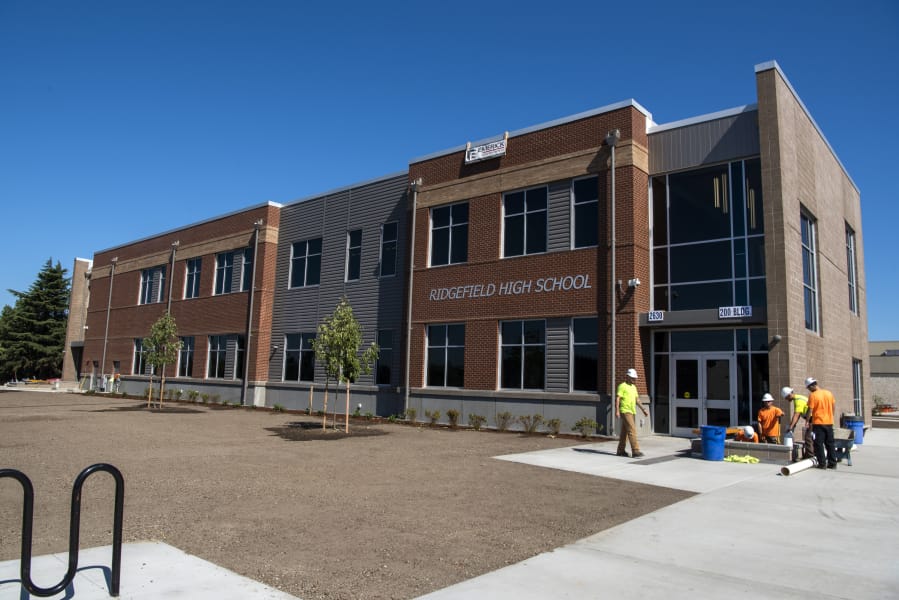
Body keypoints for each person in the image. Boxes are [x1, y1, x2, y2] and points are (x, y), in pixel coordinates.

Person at [806, 377, 838, 469]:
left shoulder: (813, 395)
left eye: (808, 388)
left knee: (818, 444)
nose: (809, 390)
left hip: (818, 423)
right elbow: (833, 406)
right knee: (830, 443)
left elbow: (810, 410)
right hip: (829, 422)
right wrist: (831, 416)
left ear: (811, 386)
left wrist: (807, 421)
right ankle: (832, 463)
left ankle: (822, 464)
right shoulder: (829, 393)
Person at [616, 368, 649, 458]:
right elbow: (618, 398)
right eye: (632, 378)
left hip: (632, 411)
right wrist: (617, 411)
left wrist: (643, 409)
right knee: (632, 430)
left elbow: (637, 399)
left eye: (634, 378)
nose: (634, 380)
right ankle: (635, 451)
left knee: (625, 432)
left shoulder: (634, 387)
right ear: (627, 377)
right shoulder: (622, 386)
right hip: (625, 410)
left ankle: (620, 450)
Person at [783, 386, 813, 458]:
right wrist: (793, 424)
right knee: (810, 437)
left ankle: (810, 456)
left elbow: (796, 415)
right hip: (813, 418)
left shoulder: (798, 400)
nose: (787, 400)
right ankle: (809, 455)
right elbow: (798, 415)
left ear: (789, 395)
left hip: (813, 418)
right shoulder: (798, 398)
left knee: (808, 438)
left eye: (786, 398)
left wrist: (791, 427)